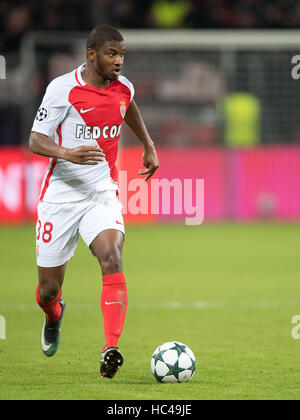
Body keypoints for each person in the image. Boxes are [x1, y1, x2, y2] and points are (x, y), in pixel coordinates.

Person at [28, 24, 159, 379]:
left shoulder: (124, 88)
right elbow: (36, 140)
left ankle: (110, 348)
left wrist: (148, 145)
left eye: (122, 55)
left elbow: (128, 107)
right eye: (111, 54)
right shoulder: (62, 89)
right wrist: (66, 152)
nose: (118, 61)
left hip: (101, 193)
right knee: (47, 290)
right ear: (91, 54)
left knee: (112, 255)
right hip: (60, 197)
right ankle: (54, 314)